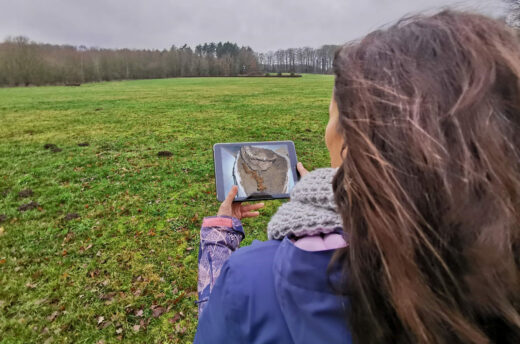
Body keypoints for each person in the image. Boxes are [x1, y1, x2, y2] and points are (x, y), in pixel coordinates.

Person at [195, 10, 520, 344]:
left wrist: (219, 240)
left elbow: (221, 324)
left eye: (333, 116)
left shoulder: (254, 280)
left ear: (351, 142)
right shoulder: (499, 270)